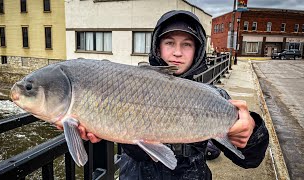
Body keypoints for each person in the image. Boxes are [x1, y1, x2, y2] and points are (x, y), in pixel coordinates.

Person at [69, 10, 269, 179]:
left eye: (187, 44)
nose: (177, 53)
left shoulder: (215, 96)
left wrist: (251, 131)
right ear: (157, 47)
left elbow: (250, 160)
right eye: (170, 43)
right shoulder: (131, 85)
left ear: (197, 50)